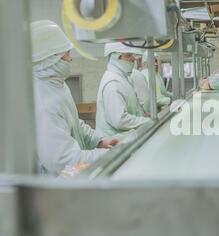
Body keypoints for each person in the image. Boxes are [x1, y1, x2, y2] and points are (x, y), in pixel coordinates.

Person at [31, 20, 118, 175]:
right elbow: (63, 161)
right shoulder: (42, 101)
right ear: (50, 59)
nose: (71, 59)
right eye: (67, 54)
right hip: (55, 189)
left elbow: (74, 123)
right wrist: (111, 155)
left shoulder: (58, 85)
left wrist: (99, 142)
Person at [96, 43, 151, 136]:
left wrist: (141, 115)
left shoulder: (123, 78)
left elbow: (130, 105)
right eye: (128, 55)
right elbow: (119, 120)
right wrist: (147, 121)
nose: (133, 59)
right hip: (114, 143)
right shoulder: (113, 83)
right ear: (117, 58)